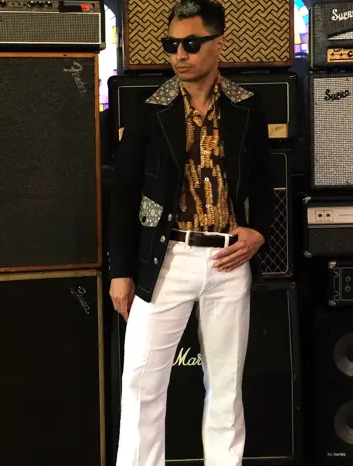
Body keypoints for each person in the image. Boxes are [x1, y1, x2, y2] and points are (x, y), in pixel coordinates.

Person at [108, 0, 274, 464]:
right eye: (171, 44)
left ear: (218, 43)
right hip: (165, 258)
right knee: (141, 382)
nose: (179, 54)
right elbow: (123, 194)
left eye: (191, 43)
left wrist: (258, 232)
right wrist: (120, 271)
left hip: (229, 259)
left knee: (226, 385)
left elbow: (264, 181)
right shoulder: (149, 109)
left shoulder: (246, 107)